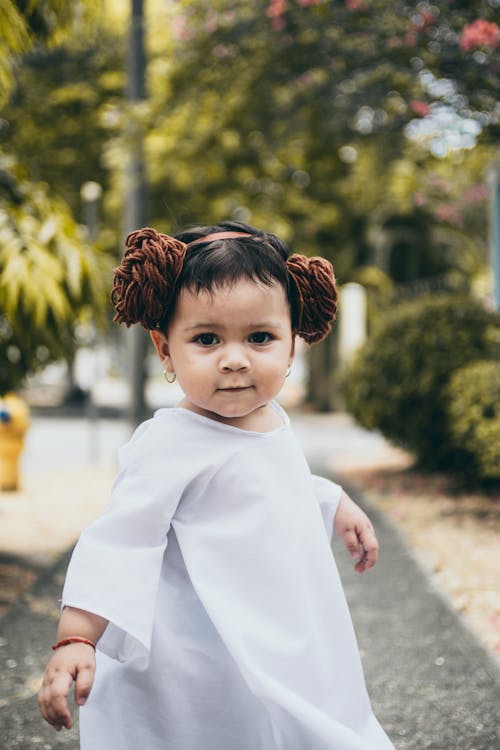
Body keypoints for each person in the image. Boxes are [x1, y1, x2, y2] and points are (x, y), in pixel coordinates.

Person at [38, 221, 395, 749]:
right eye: (207, 339)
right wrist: (77, 636)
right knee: (207, 727)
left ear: (293, 345)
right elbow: (119, 541)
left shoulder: (268, 416)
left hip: (267, 621)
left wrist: (331, 501)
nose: (234, 358)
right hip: (194, 644)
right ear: (164, 349)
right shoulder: (170, 444)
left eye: (260, 337)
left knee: (278, 713)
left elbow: (268, 479)